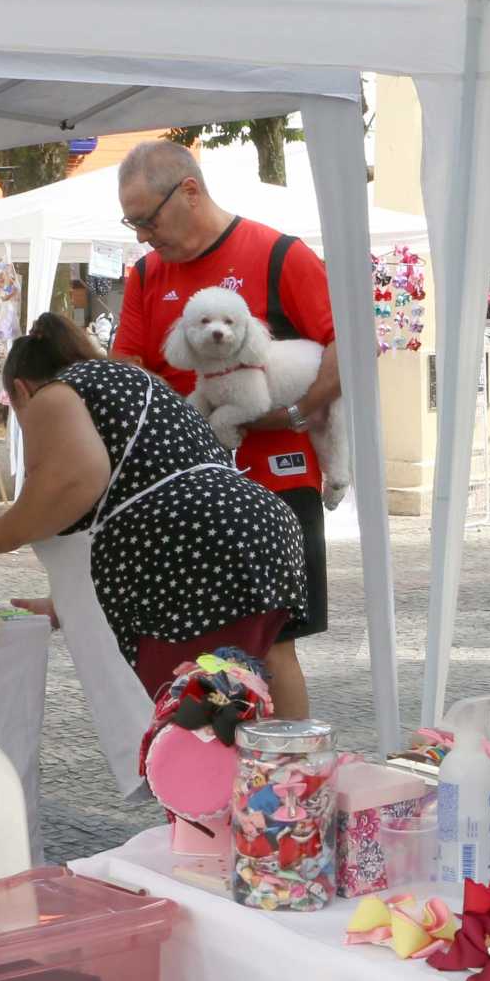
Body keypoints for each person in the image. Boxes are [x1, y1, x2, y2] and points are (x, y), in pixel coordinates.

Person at [109, 140, 337, 719]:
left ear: (189, 190)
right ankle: (206, 780)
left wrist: (292, 413)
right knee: (193, 649)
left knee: (272, 642)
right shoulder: (144, 275)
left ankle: (289, 786)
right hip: (184, 496)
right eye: (131, 222)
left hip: (274, 485)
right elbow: (130, 368)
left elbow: (350, 347)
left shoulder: (279, 254)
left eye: (146, 219)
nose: (141, 234)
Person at [0, 313, 307, 694]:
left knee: (191, 706)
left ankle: (198, 755)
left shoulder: (54, 394)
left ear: (21, 389)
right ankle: (288, 753)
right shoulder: (137, 381)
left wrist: (2, 533)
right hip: (263, 525)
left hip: (196, 547)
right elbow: (133, 486)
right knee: (264, 669)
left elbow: (73, 484)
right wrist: (60, 604)